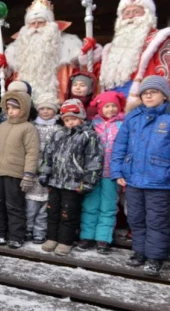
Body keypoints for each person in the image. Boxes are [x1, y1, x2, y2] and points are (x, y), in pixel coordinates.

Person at [111, 75, 170, 276]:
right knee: (136, 218)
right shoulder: (133, 118)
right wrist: (118, 171)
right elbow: (119, 146)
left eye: (153, 92)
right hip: (133, 179)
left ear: (164, 95)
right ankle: (140, 252)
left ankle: (155, 257)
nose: (148, 96)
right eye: (145, 93)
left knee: (157, 220)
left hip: (160, 182)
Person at [81, 0, 170, 111]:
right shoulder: (110, 48)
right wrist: (91, 54)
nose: (131, 16)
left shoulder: (160, 39)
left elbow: (165, 73)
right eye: (127, 13)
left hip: (142, 103)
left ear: (147, 15)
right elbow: (98, 75)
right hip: (111, 108)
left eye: (136, 11)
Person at [39, 99, 104, 256]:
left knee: (68, 213)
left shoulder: (89, 136)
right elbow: (49, 156)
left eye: (73, 119)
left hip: (73, 184)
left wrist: (88, 181)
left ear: (81, 117)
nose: (70, 123)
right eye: (67, 120)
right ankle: (52, 238)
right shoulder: (58, 135)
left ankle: (65, 241)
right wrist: (45, 173)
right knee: (53, 211)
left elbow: (94, 160)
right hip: (55, 182)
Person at [0, 0, 82, 104]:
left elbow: (81, 70)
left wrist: (87, 54)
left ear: (50, 24)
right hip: (24, 105)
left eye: (40, 22)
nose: (36, 26)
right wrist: (4, 66)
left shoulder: (68, 45)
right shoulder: (15, 50)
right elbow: (8, 78)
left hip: (58, 103)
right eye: (32, 23)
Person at [0, 91, 39, 249]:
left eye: (15, 108)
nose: (10, 111)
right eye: (8, 107)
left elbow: (32, 152)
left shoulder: (28, 128)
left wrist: (28, 174)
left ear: (24, 109)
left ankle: (16, 236)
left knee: (14, 206)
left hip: (15, 173)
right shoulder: (2, 126)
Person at [77, 91, 125, 254]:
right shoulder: (92, 125)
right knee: (90, 205)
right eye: (107, 106)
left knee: (108, 206)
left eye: (113, 106)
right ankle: (87, 236)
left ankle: (103, 238)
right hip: (92, 173)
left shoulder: (122, 125)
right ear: (99, 108)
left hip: (112, 174)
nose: (110, 109)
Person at [25, 98, 61, 244]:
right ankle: (27, 229)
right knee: (30, 206)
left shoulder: (59, 129)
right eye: (42, 108)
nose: (45, 111)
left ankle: (39, 232)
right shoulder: (32, 126)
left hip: (49, 173)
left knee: (44, 208)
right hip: (33, 171)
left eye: (49, 108)